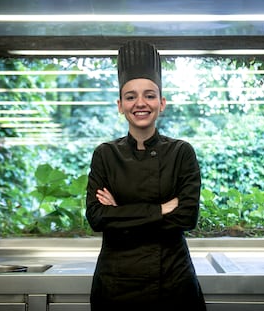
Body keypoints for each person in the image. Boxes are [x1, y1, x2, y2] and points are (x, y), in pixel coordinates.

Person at [85, 40, 206, 311]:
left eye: (149, 95)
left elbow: (186, 217)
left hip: (173, 284)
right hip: (116, 286)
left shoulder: (181, 152)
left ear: (162, 103)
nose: (141, 103)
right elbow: (96, 217)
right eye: (131, 97)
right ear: (120, 105)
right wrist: (162, 208)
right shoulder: (105, 154)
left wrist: (121, 214)